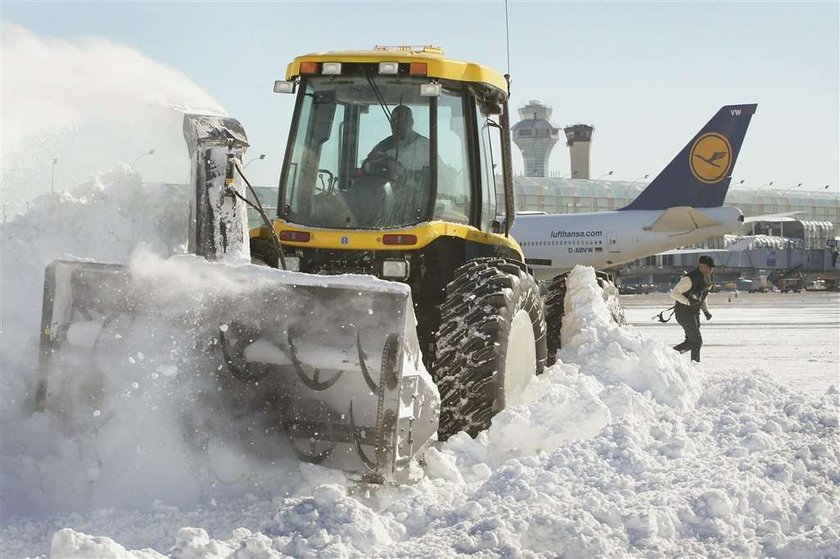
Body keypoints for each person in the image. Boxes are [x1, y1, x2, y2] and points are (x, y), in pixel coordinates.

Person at [670, 255, 715, 362]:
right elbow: (674, 293)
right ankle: (695, 366)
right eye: (709, 268)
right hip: (684, 313)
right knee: (697, 341)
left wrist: (706, 311)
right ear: (702, 266)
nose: (711, 270)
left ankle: (668, 356)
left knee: (691, 342)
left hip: (694, 313)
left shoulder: (706, 278)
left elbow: (702, 297)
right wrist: (687, 302)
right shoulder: (689, 279)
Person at [364, 105, 430, 177]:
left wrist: (404, 172)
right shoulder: (384, 146)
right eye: (393, 121)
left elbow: (436, 175)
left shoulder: (425, 147)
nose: (397, 125)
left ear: (411, 122)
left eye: (402, 121)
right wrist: (382, 164)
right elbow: (365, 166)